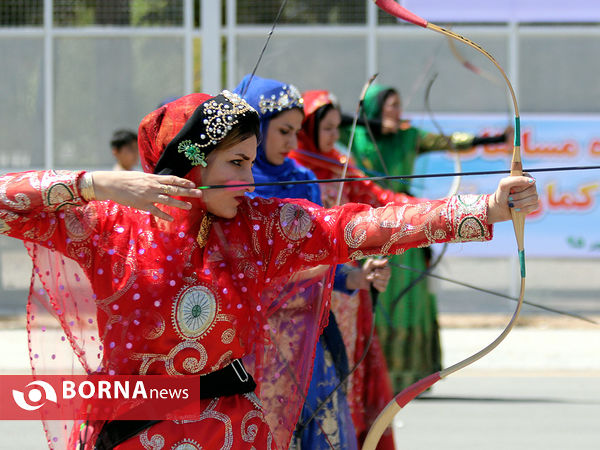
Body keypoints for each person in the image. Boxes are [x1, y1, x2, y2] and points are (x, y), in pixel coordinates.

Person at [0, 90, 538, 449]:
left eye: (253, 162)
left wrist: (485, 208)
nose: (249, 180)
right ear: (190, 160)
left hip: (232, 430)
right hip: (131, 427)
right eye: (235, 163)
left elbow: (362, 227)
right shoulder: (105, 226)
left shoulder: (262, 227)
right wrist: (94, 184)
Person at [234, 76, 391, 450]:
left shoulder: (304, 179)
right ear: (256, 126)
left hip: (307, 336)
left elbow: (321, 252)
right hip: (252, 338)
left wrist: (357, 275)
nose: (292, 143)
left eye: (297, 132)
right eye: (284, 131)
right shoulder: (234, 180)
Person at [339, 84, 513, 392]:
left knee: (412, 302)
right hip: (370, 229)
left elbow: (448, 142)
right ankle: (376, 379)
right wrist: (373, 126)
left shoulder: (409, 136)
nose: (397, 112)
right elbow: (327, 123)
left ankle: (414, 376)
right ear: (375, 109)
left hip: (408, 228)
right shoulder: (358, 135)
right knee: (376, 296)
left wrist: (495, 139)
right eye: (390, 106)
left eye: (398, 105)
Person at [290, 89, 425, 448]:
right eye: (328, 128)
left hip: (348, 291)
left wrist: (433, 212)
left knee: (344, 374)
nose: (335, 136)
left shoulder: (341, 165)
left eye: (338, 128)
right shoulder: (289, 172)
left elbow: (381, 202)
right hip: (302, 296)